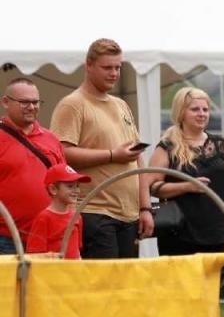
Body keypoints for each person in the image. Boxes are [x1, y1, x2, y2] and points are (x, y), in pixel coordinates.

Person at [50, 38, 153, 258]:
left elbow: (138, 159)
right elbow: (62, 153)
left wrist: (146, 208)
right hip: (94, 210)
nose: (114, 73)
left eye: (118, 67)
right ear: (89, 64)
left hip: (129, 214)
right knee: (104, 286)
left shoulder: (121, 104)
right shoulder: (73, 104)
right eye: (107, 67)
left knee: (124, 286)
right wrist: (112, 155)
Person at [148, 86, 224, 255]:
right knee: (181, 281)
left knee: (211, 281)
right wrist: (187, 187)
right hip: (179, 232)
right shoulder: (167, 146)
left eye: (205, 109)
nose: (202, 113)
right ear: (181, 113)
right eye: (195, 109)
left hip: (215, 229)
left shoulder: (219, 144)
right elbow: (153, 187)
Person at [0, 76, 66, 254]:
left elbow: (66, 185)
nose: (32, 107)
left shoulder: (51, 139)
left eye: (36, 102)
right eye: (24, 102)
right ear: (6, 102)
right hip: (5, 238)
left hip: (48, 236)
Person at [23, 164, 91, 258]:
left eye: (77, 186)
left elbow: (77, 250)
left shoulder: (76, 217)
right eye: (70, 186)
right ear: (53, 189)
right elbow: (34, 255)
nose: (76, 191)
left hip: (73, 270)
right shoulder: (44, 218)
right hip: (53, 271)